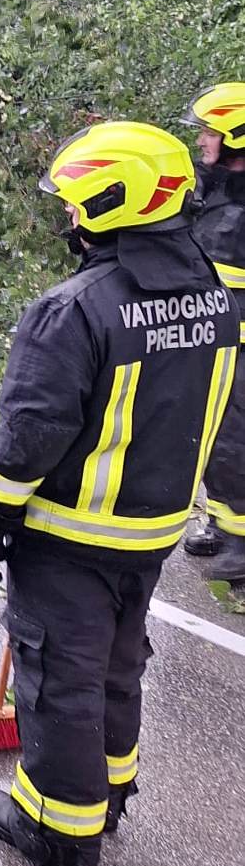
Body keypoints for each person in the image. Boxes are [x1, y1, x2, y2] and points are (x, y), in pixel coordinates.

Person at [0, 120, 236, 866]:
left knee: (60, 673)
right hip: (150, 534)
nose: (70, 218)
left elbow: (29, 437)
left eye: (80, 204)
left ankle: (57, 827)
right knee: (118, 663)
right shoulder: (214, 295)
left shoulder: (75, 310)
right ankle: (109, 793)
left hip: (70, 536)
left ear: (118, 203)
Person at [181, 81, 245, 582]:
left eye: (210, 132)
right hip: (211, 335)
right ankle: (224, 524)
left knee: (234, 438)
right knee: (211, 436)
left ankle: (243, 541)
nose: (202, 140)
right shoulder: (211, 184)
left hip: (240, 342)